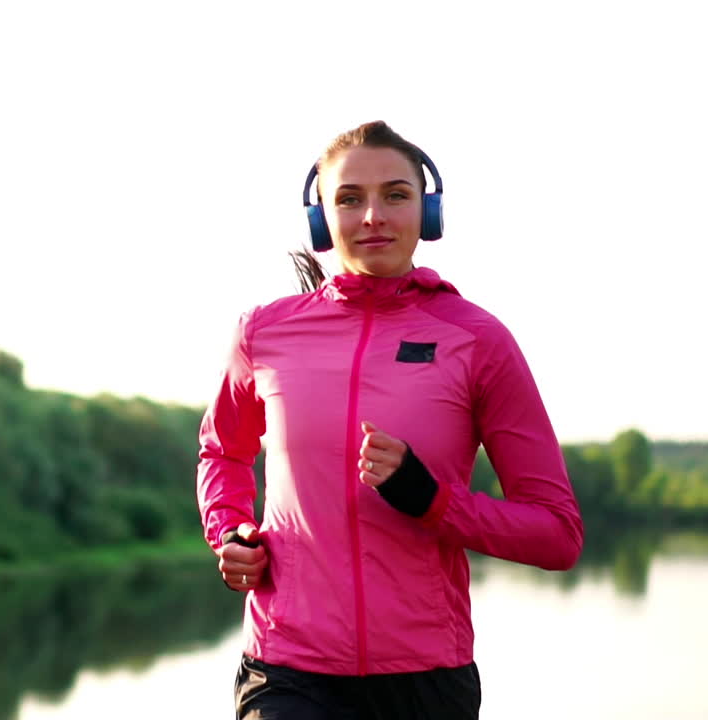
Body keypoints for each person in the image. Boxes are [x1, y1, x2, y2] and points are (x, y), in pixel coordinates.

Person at [195, 120, 583, 720]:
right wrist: (231, 533)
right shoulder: (264, 333)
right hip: (287, 668)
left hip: (425, 679)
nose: (372, 215)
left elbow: (557, 533)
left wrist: (432, 499)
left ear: (427, 213)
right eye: (349, 199)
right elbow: (223, 452)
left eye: (395, 195)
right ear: (322, 218)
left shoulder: (477, 340)